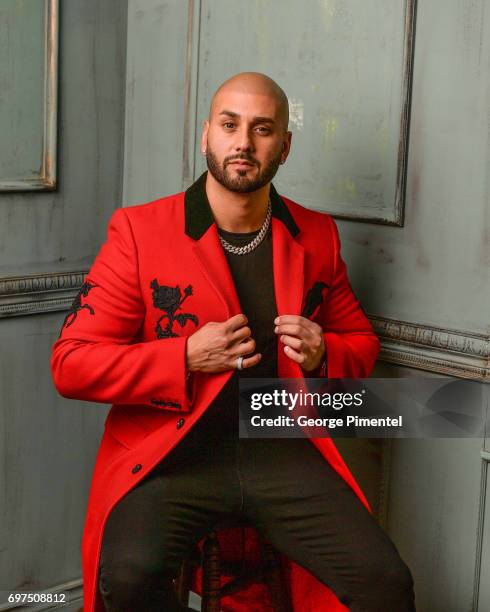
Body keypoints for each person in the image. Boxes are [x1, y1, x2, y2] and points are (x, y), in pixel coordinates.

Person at [51, 72, 416, 611]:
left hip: (280, 448)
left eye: (262, 128)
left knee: (385, 581)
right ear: (207, 137)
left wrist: (323, 352)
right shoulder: (139, 231)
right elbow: (71, 365)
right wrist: (184, 356)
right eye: (229, 125)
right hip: (173, 455)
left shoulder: (316, 235)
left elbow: (359, 341)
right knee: (127, 578)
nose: (243, 142)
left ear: (284, 146)